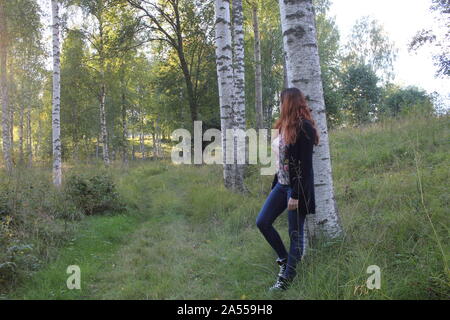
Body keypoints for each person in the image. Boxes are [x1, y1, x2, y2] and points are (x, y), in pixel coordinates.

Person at [256, 87, 319, 291]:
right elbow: (281, 161)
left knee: (295, 234)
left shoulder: (305, 127)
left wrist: (297, 195)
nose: (279, 104)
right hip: (281, 186)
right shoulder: (283, 125)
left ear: (289, 102)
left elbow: (305, 166)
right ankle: (284, 259)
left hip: (296, 189)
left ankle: (287, 278)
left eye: (281, 101)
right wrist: (276, 187)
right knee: (263, 222)